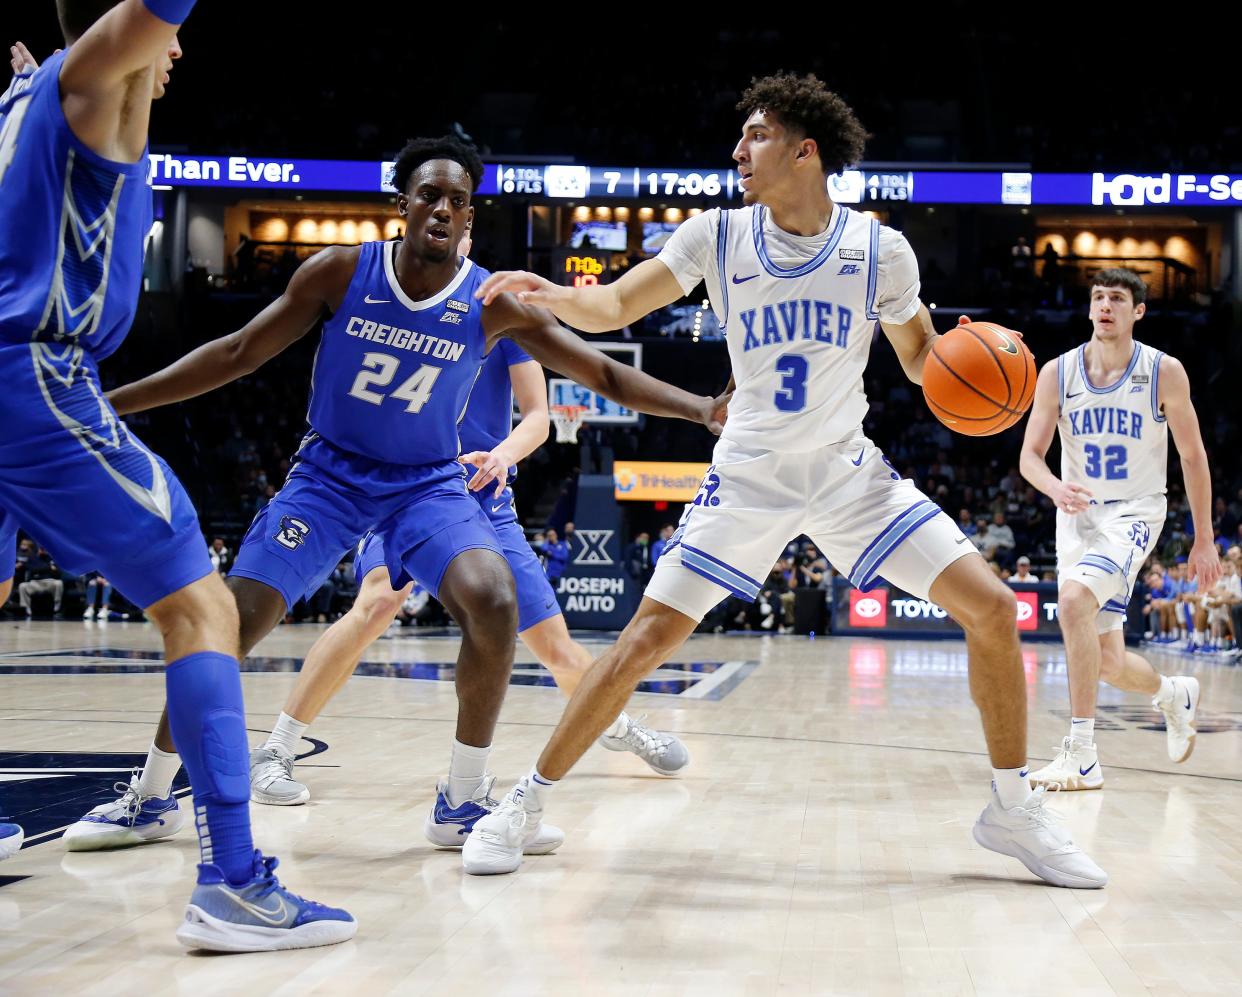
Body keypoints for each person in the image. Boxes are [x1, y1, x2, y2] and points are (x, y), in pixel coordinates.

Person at [465, 72, 1105, 888]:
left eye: (757, 135)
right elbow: (622, 302)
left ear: (806, 151)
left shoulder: (882, 250)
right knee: (641, 643)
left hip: (847, 473)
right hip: (750, 476)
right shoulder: (718, 236)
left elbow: (917, 358)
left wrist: (968, 366)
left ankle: (1012, 807)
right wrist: (548, 294)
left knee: (989, 606)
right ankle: (525, 801)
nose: (738, 150)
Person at [63, 135, 720, 860]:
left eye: (458, 200)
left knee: (494, 597)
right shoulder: (342, 271)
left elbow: (603, 374)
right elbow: (237, 353)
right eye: (430, 194)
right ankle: (152, 795)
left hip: (426, 482)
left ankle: (462, 801)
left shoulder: (489, 303)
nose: (443, 207)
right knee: (230, 620)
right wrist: (113, 403)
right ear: (401, 205)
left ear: (470, 217)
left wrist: (698, 409)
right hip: (329, 475)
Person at [0, 2, 354, 950]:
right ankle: (233, 881)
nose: (179, 47)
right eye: (164, 33)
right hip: (34, 372)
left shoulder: (40, 91)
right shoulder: (86, 77)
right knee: (205, 609)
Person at [247, 348, 689, 810]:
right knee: (379, 600)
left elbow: (539, 416)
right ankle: (277, 746)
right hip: (408, 490)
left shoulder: (502, 317)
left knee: (554, 646)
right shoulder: (409, 317)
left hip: (486, 496)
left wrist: (502, 455)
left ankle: (615, 725)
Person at [1019, 268, 1220, 788]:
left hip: (1134, 512)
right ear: (1089, 309)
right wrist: (1054, 488)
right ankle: (1172, 694)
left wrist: (1203, 538)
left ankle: (1081, 754)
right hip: (1076, 516)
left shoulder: (1163, 371)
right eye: (1098, 297)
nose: (1106, 305)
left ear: (1138, 312)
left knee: (1071, 604)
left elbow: (1193, 457)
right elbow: (1031, 458)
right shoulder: (1057, 373)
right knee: (1106, 661)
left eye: (1117, 298)